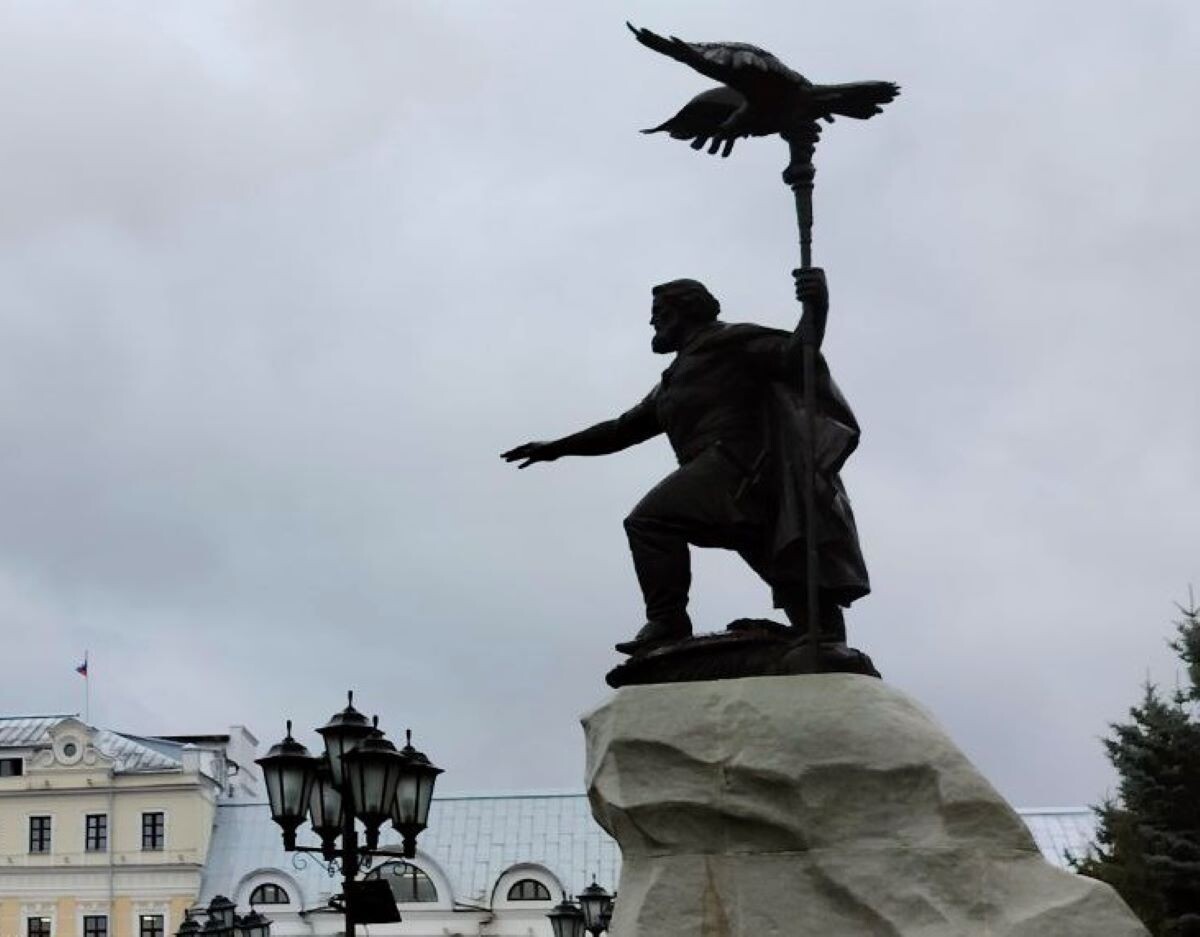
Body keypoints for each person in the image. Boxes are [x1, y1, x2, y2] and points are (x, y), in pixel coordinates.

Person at [502, 269, 869, 655]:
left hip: (738, 467)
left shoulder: (731, 343)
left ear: (688, 311)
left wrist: (816, 307)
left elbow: (797, 357)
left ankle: (668, 621)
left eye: (660, 313)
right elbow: (622, 429)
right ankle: (819, 632)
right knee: (787, 566)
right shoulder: (674, 380)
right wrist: (556, 447)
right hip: (719, 474)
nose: (653, 322)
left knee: (650, 521)